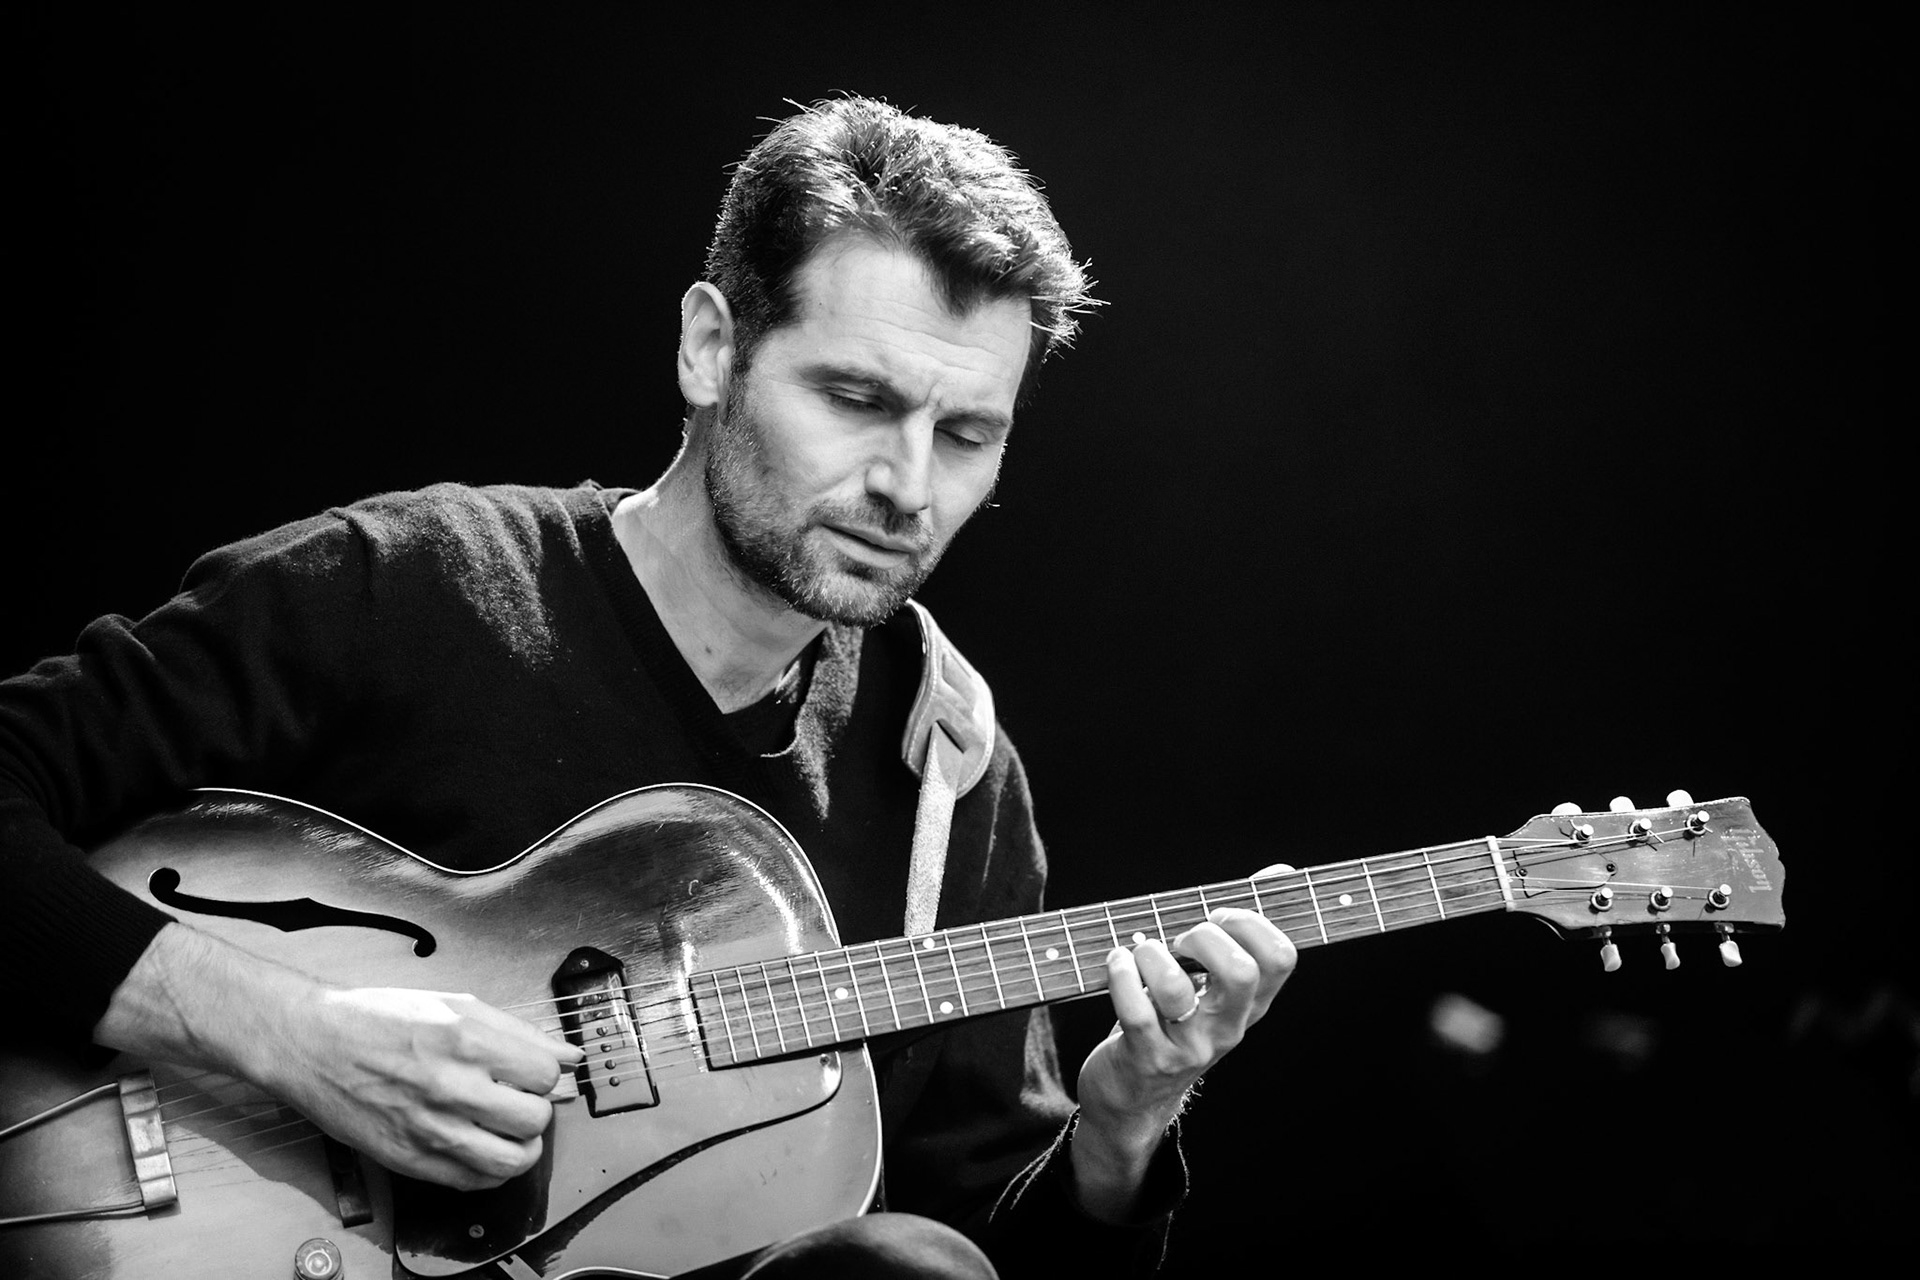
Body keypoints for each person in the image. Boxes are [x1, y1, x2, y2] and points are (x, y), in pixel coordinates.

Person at [0, 97, 1295, 1277]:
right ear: (709, 347)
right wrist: (289, 1037)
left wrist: (1123, 1131)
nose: (909, 486)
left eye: (966, 436)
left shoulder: (948, 773)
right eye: (855, 397)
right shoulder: (409, 584)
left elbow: (983, 1243)